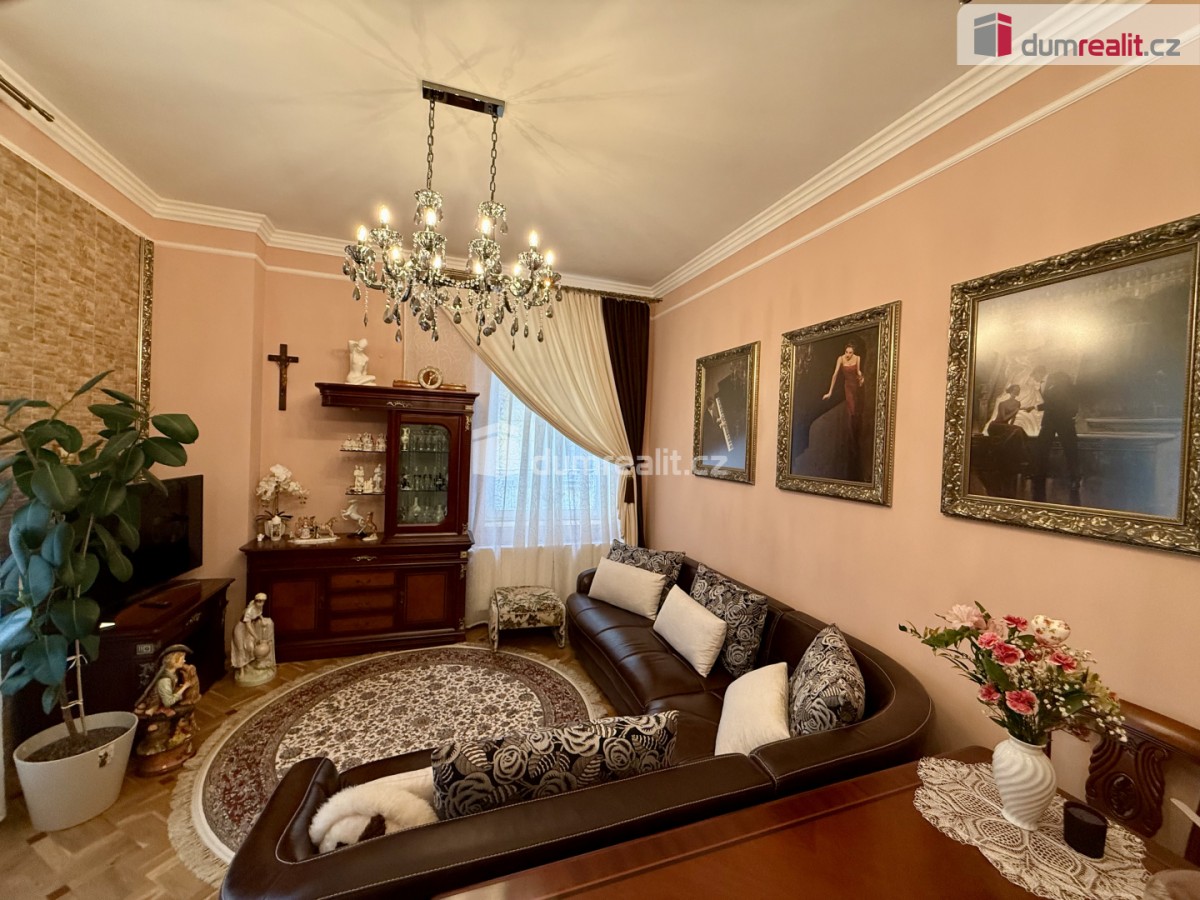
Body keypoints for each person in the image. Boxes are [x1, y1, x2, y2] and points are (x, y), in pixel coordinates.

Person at [133, 644, 200, 767]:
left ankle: (179, 735)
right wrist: (184, 688)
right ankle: (175, 736)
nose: (184, 661)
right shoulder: (165, 680)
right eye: (182, 658)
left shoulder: (171, 675)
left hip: (163, 705)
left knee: (188, 707)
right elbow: (168, 702)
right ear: (174, 660)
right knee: (187, 708)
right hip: (155, 710)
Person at [1031, 369, 1081, 502]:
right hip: (1062, 423)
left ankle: (1039, 476)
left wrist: (1036, 407)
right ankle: (1074, 479)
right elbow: (1070, 406)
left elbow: (1053, 404)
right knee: (1070, 451)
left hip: (1054, 422)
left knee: (1044, 449)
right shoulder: (1069, 388)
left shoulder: (1057, 389)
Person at [232, 593, 277, 686]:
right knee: (240, 648)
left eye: (262, 601)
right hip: (241, 629)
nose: (261, 603)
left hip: (248, 629)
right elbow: (248, 626)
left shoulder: (258, 607)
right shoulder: (250, 610)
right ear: (256, 601)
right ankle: (241, 670)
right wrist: (256, 637)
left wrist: (262, 619)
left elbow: (259, 614)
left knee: (250, 647)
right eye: (259, 601)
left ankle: (248, 664)